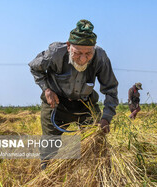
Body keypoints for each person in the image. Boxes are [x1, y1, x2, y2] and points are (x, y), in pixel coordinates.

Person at [29, 19, 119, 169]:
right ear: (69, 46)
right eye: (78, 53)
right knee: (49, 146)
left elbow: (110, 89)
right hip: (56, 103)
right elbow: (34, 68)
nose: (83, 59)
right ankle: (45, 173)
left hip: (85, 104)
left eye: (88, 53)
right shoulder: (55, 53)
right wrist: (46, 89)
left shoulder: (100, 57)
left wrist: (106, 118)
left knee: (96, 145)